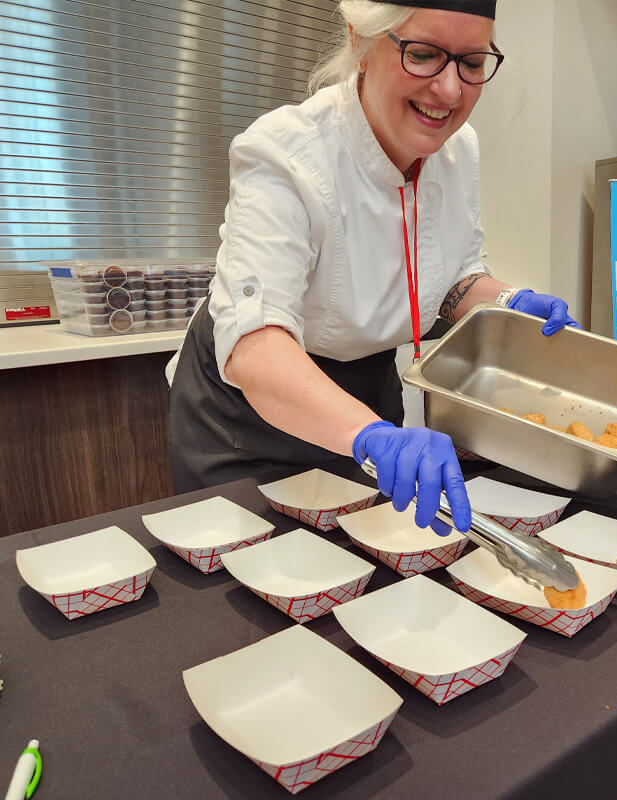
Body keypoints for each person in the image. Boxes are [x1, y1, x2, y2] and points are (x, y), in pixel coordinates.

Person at [167, 0, 579, 534]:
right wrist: (371, 436)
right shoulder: (284, 151)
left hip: (365, 396)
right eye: (424, 54)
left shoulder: (460, 151)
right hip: (245, 418)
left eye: (472, 63)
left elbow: (452, 280)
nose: (450, 91)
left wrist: (507, 302)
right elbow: (256, 346)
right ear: (361, 43)